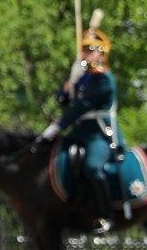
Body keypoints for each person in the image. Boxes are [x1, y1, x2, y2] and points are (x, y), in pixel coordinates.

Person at [38, 20, 125, 232]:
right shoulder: (84, 78)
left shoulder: (104, 79)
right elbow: (63, 100)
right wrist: (71, 81)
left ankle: (106, 214)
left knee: (93, 167)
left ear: (101, 53)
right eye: (84, 49)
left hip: (99, 134)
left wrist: (58, 126)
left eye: (90, 49)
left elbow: (81, 107)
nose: (85, 53)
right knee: (53, 158)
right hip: (79, 132)